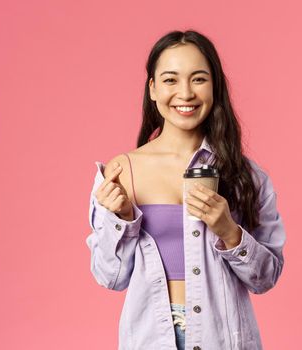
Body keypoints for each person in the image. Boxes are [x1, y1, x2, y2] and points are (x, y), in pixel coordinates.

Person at [86, 30, 286, 350]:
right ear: (152, 89)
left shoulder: (246, 176)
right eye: (170, 80)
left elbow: (265, 278)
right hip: (151, 338)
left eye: (198, 79)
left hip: (222, 337)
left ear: (214, 87)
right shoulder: (122, 172)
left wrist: (229, 232)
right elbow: (110, 277)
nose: (185, 93)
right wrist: (121, 219)